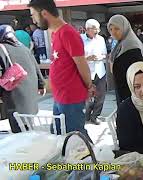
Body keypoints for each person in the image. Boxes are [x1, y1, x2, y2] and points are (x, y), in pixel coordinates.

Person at [28, 0, 94, 139]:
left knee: (76, 139)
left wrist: (89, 86)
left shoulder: (68, 33)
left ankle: (94, 159)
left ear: (44, 13)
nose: (33, 20)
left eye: (33, 15)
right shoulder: (56, 33)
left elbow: (82, 65)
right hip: (60, 97)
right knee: (59, 136)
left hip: (71, 98)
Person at [0, 25, 45, 133]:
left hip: (15, 97)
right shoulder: (23, 48)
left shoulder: (1, 49)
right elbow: (36, 67)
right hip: (30, 96)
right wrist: (41, 85)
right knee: (28, 127)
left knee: (19, 132)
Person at [107, 14, 143, 106]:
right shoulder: (120, 45)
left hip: (132, 95)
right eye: (110, 29)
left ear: (124, 28)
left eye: (117, 29)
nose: (113, 32)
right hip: (124, 93)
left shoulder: (131, 46)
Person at [81, 19, 108, 125]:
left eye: (98, 29)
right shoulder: (80, 39)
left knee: (100, 95)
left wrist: (100, 57)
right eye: (95, 29)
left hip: (100, 71)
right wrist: (87, 58)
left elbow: (105, 54)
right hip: (86, 72)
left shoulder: (101, 39)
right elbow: (76, 57)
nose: (98, 31)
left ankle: (95, 115)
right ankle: (86, 115)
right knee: (87, 96)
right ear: (88, 29)